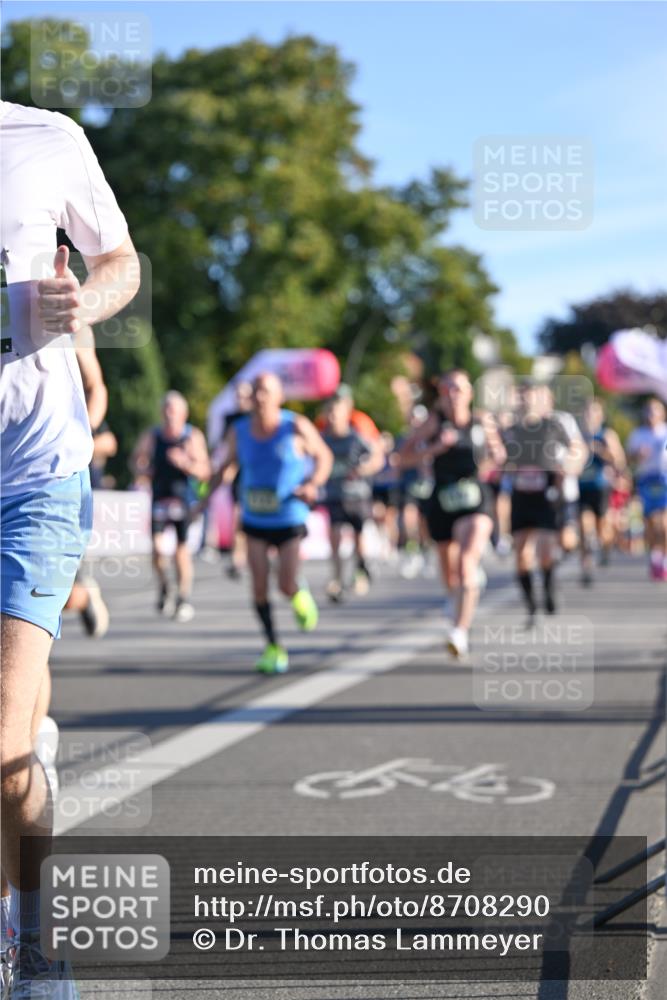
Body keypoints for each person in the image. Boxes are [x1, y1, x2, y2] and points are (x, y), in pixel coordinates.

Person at [1, 99, 139, 997]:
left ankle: (41, 932)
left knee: (3, 740)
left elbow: (122, 260)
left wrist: (86, 298)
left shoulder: (46, 137)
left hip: (35, 472)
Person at [206, 373, 333, 673]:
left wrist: (313, 483)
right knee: (259, 587)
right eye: (256, 391)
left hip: (289, 516)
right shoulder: (238, 431)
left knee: (285, 584)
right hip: (255, 518)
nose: (259, 397)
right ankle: (273, 646)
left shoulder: (295, 426)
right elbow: (225, 468)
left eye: (266, 391)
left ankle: (297, 592)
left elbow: (324, 456)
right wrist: (203, 501)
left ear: (279, 397)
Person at [399, 369, 505, 658]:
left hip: (474, 498)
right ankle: (454, 596)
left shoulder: (481, 421)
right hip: (442, 498)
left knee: (466, 562)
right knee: (449, 571)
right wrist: (434, 448)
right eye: (447, 390)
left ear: (469, 393)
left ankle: (459, 631)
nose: (453, 395)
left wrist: (492, 458)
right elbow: (403, 458)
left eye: (458, 389)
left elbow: (499, 454)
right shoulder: (434, 423)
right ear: (441, 396)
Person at [503, 379, 587, 624]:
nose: (527, 400)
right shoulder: (511, 426)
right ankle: (531, 604)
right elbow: (499, 457)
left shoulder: (557, 423)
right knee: (521, 553)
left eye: (532, 395)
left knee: (548, 550)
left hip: (549, 492)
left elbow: (578, 450)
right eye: (523, 396)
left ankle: (549, 587)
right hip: (521, 494)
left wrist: (569, 467)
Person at [132, 392, 211, 622]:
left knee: (181, 553)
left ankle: (183, 598)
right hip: (160, 499)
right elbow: (136, 460)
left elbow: (205, 471)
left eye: (174, 411)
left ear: (183, 414)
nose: (169, 415)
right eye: (166, 410)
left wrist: (185, 463)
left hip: (183, 501)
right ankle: (165, 586)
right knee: (157, 550)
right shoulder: (153, 435)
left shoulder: (192, 437)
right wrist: (142, 470)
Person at [321, 393, 384, 601]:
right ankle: (337, 580)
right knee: (335, 537)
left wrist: (365, 468)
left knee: (358, 539)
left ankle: (361, 568)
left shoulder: (355, 437)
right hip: (334, 495)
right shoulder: (323, 439)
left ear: (346, 414)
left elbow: (377, 456)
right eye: (328, 412)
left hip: (357, 496)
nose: (331, 417)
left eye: (335, 412)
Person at [578, 398, 626, 584]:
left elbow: (619, 460)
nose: (590, 416)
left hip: (601, 487)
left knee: (603, 530)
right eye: (588, 412)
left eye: (594, 412)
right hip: (582, 487)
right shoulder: (578, 435)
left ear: (601, 415)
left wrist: (601, 450)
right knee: (584, 528)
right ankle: (586, 567)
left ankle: (605, 548)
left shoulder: (607, 435)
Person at [626, 397, 667, 581]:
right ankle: (655, 557)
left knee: (663, 524)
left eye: (655, 410)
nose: (651, 415)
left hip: (665, 479)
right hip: (646, 481)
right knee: (650, 523)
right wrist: (637, 454)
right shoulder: (638, 434)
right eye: (648, 411)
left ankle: (664, 559)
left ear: (662, 413)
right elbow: (629, 459)